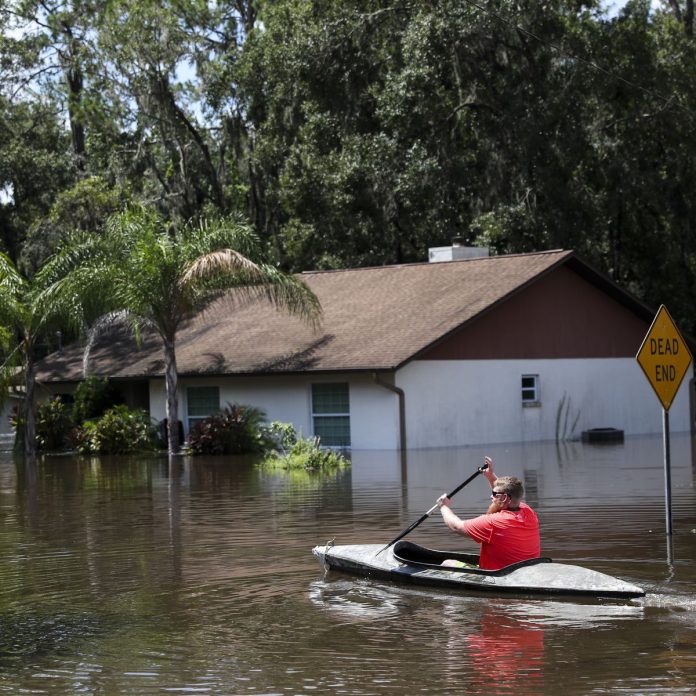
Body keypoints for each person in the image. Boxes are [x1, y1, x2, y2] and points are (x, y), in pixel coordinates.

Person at [436, 456, 540, 570]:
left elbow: (456, 526)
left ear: (505, 498)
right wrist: (490, 476)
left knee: (447, 563)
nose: (491, 496)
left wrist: (443, 507)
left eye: (494, 494)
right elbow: (506, 491)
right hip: (526, 572)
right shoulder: (529, 512)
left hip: (499, 577)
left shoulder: (492, 523)